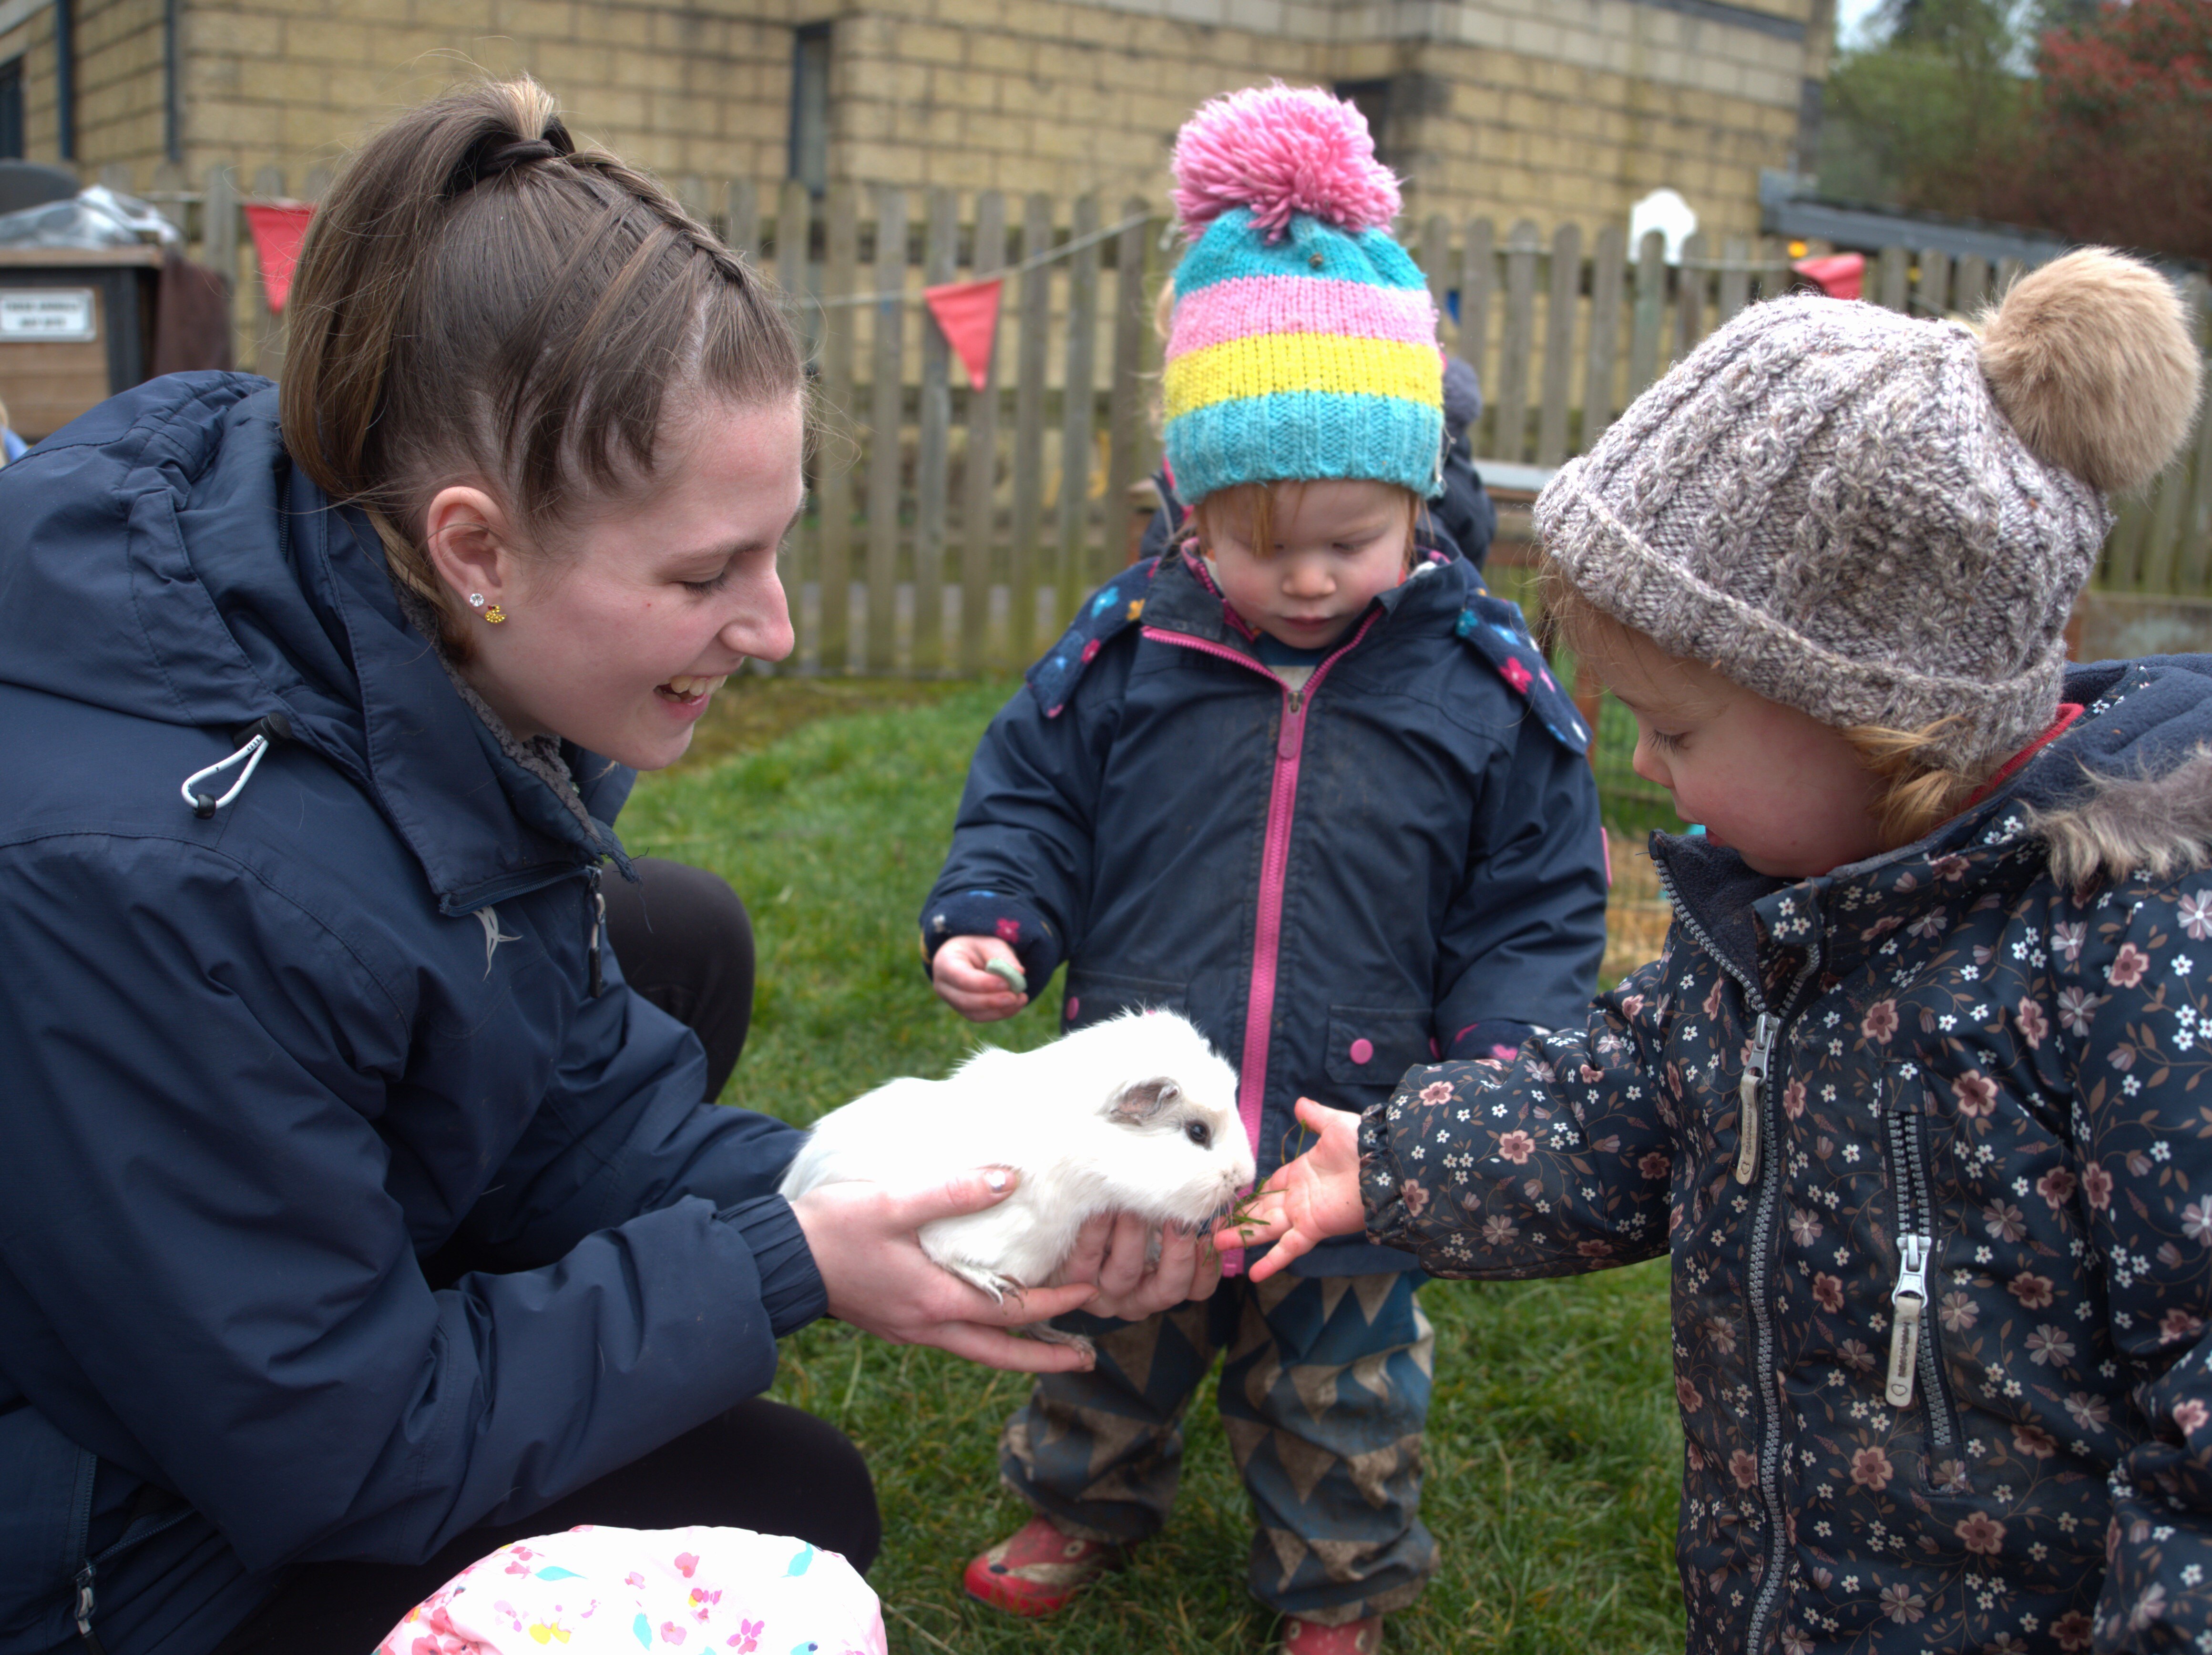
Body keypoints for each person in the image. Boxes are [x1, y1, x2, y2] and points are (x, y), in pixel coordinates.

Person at [0, 80, 1213, 1655]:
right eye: (707, 572)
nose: (774, 627)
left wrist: (896, 1205)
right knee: (779, 1525)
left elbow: (562, 1092)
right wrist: (776, 1262)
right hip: (106, 1546)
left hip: (239, 1369)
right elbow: (338, 1450)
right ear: (477, 551)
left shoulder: (397, 617)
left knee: (681, 955)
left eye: (776, 546)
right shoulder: (163, 890)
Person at [1222, 248, 2212, 1652]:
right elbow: (1616, 1100)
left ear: (1882, 713)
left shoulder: (2132, 962)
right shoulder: (1778, 919)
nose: (1640, 761)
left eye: (1676, 731)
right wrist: (1389, 1162)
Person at [920, 83, 1608, 1655]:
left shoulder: (1484, 686)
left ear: (1421, 503)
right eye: (1256, 538)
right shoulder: (1130, 645)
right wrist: (998, 918)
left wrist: (1494, 1068)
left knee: (1346, 1384)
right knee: (1107, 1330)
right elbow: (1030, 794)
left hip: (1349, 1133)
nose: (1305, 575)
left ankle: (1337, 1591)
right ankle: (1078, 1504)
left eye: (1351, 537)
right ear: (1185, 511)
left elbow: (1537, 894)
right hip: (1150, 1103)